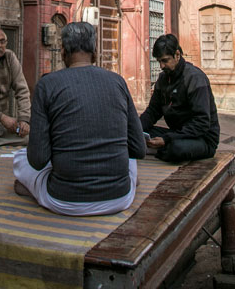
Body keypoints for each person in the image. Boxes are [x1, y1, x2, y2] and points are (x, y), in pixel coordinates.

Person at [13, 22, 146, 216]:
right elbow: (138, 149)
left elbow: (38, 159)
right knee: (129, 160)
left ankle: (35, 190)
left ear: (63, 53)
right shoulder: (117, 81)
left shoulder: (47, 84)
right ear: (95, 52)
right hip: (120, 197)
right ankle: (131, 180)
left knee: (20, 158)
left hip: (65, 199)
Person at [141, 33, 220, 162]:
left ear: (177, 55)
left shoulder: (195, 78)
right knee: (135, 135)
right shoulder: (163, 79)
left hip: (202, 139)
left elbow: (201, 123)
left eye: (165, 61)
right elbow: (152, 112)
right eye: (159, 61)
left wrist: (167, 139)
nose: (161, 66)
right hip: (176, 134)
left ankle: (161, 149)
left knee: (176, 149)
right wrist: (136, 129)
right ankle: (160, 148)